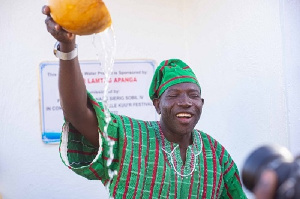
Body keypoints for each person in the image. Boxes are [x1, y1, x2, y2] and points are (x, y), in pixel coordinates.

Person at [43, 5, 247, 198]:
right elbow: (77, 113)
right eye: (174, 95)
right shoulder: (127, 139)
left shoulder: (217, 156)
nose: (185, 102)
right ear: (157, 104)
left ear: (202, 103)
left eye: (193, 95)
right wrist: (67, 47)